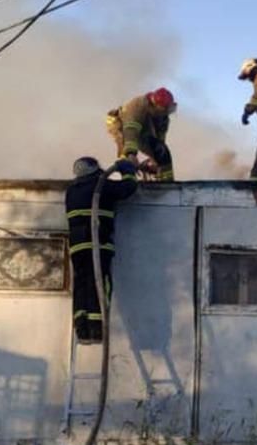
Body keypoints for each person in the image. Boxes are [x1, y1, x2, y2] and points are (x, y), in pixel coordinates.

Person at [64, 155, 138, 343]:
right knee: (99, 284)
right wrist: (127, 170)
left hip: (77, 246)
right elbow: (128, 189)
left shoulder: (71, 190)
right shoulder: (100, 185)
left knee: (81, 285)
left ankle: (82, 328)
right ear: (94, 168)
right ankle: (97, 329)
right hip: (97, 243)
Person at [105, 87, 176, 182]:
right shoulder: (138, 106)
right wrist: (131, 154)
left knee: (162, 151)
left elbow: (160, 140)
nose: (166, 112)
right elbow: (131, 131)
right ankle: (128, 182)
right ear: (155, 105)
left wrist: (155, 159)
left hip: (144, 125)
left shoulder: (162, 115)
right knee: (127, 152)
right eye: (164, 109)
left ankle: (166, 182)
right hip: (121, 124)